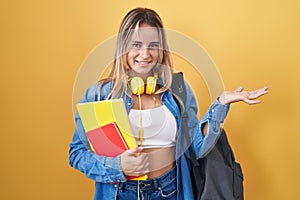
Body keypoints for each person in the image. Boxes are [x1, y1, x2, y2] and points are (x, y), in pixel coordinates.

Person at [69, 7, 268, 200]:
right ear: (123, 47)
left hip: (170, 189)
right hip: (120, 192)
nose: (145, 54)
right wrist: (118, 167)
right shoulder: (100, 95)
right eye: (136, 45)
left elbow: (196, 148)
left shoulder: (178, 89)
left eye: (153, 45)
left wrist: (220, 104)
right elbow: (77, 154)